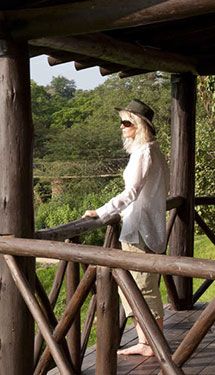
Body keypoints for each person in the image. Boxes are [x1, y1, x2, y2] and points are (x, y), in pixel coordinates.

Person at [82, 99, 170, 357]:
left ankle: (152, 344)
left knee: (140, 287)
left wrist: (102, 211)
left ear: (139, 126)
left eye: (126, 122)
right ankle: (147, 341)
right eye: (121, 121)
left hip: (140, 230)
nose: (121, 127)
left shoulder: (144, 153)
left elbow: (131, 192)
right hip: (147, 227)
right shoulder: (154, 151)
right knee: (137, 285)